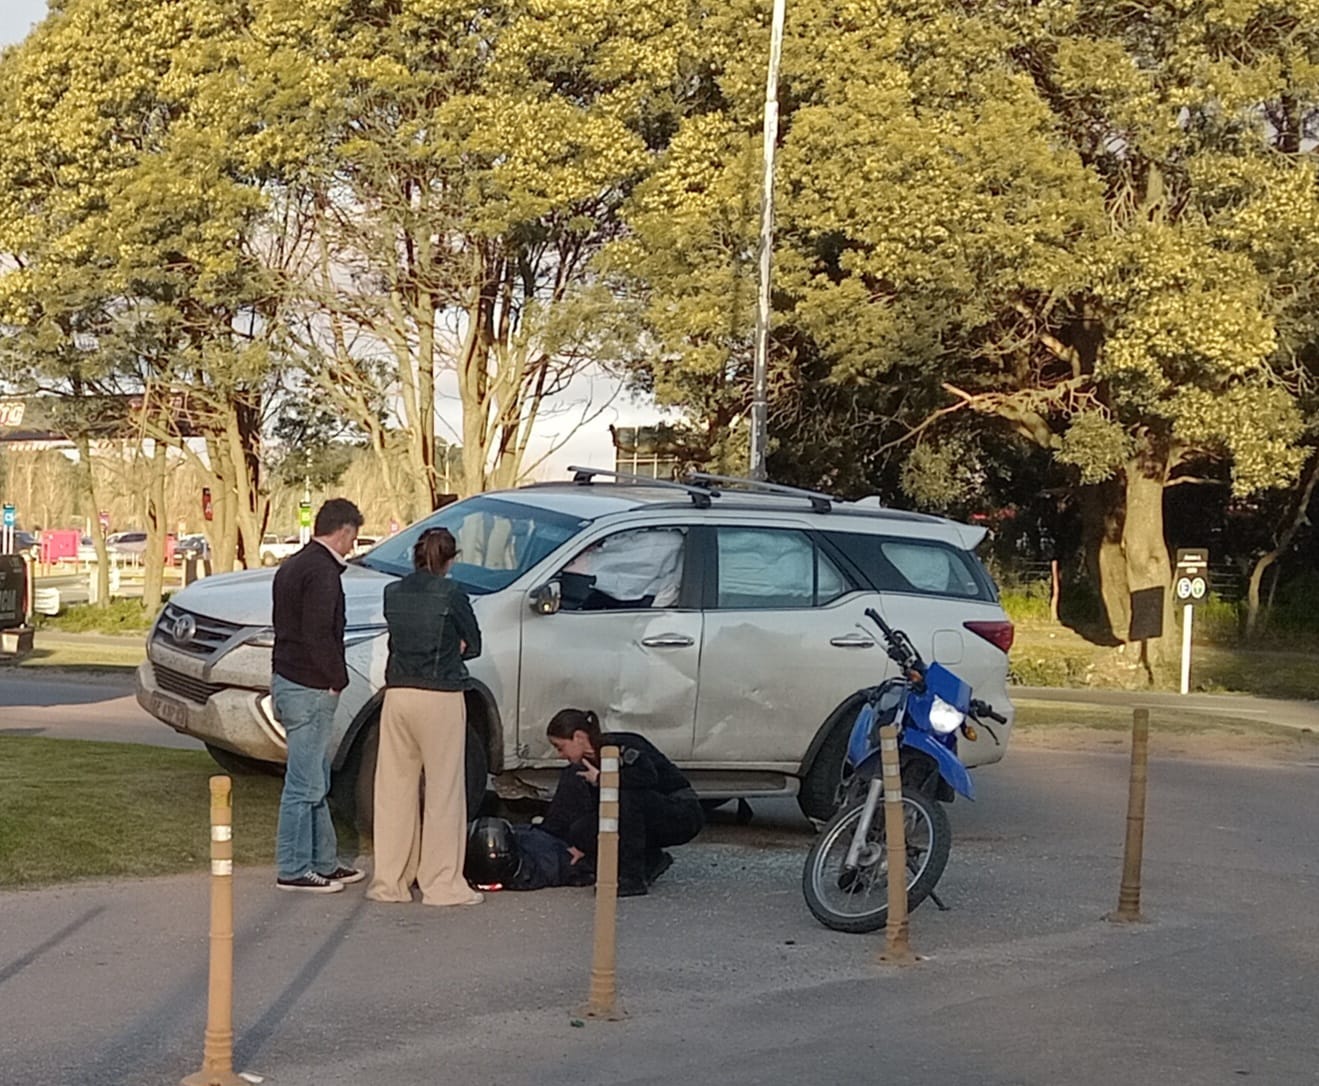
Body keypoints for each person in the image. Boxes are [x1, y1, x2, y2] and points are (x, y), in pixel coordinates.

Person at [367, 527, 484, 907]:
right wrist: (456, 649)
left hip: (399, 693)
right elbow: (474, 644)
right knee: (444, 791)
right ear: (451, 558)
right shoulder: (452, 593)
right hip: (441, 694)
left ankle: (390, 881)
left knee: (394, 790)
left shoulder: (393, 593)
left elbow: (395, 641)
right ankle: (441, 883)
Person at [271, 498, 365, 893]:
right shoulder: (324, 574)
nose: (353, 546)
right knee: (304, 784)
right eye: (353, 537)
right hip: (310, 685)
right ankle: (293, 867)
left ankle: (323, 860)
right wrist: (337, 678)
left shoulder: (294, 564)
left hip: (288, 678)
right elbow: (319, 632)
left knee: (315, 777)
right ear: (342, 531)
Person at [541, 708, 704, 896]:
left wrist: (603, 779)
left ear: (578, 737)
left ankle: (631, 878)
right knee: (583, 829)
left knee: (627, 796)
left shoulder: (621, 745)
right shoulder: (588, 763)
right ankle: (650, 858)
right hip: (645, 813)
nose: (560, 755)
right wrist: (582, 846)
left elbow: (647, 777)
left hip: (681, 812)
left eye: (560, 747)